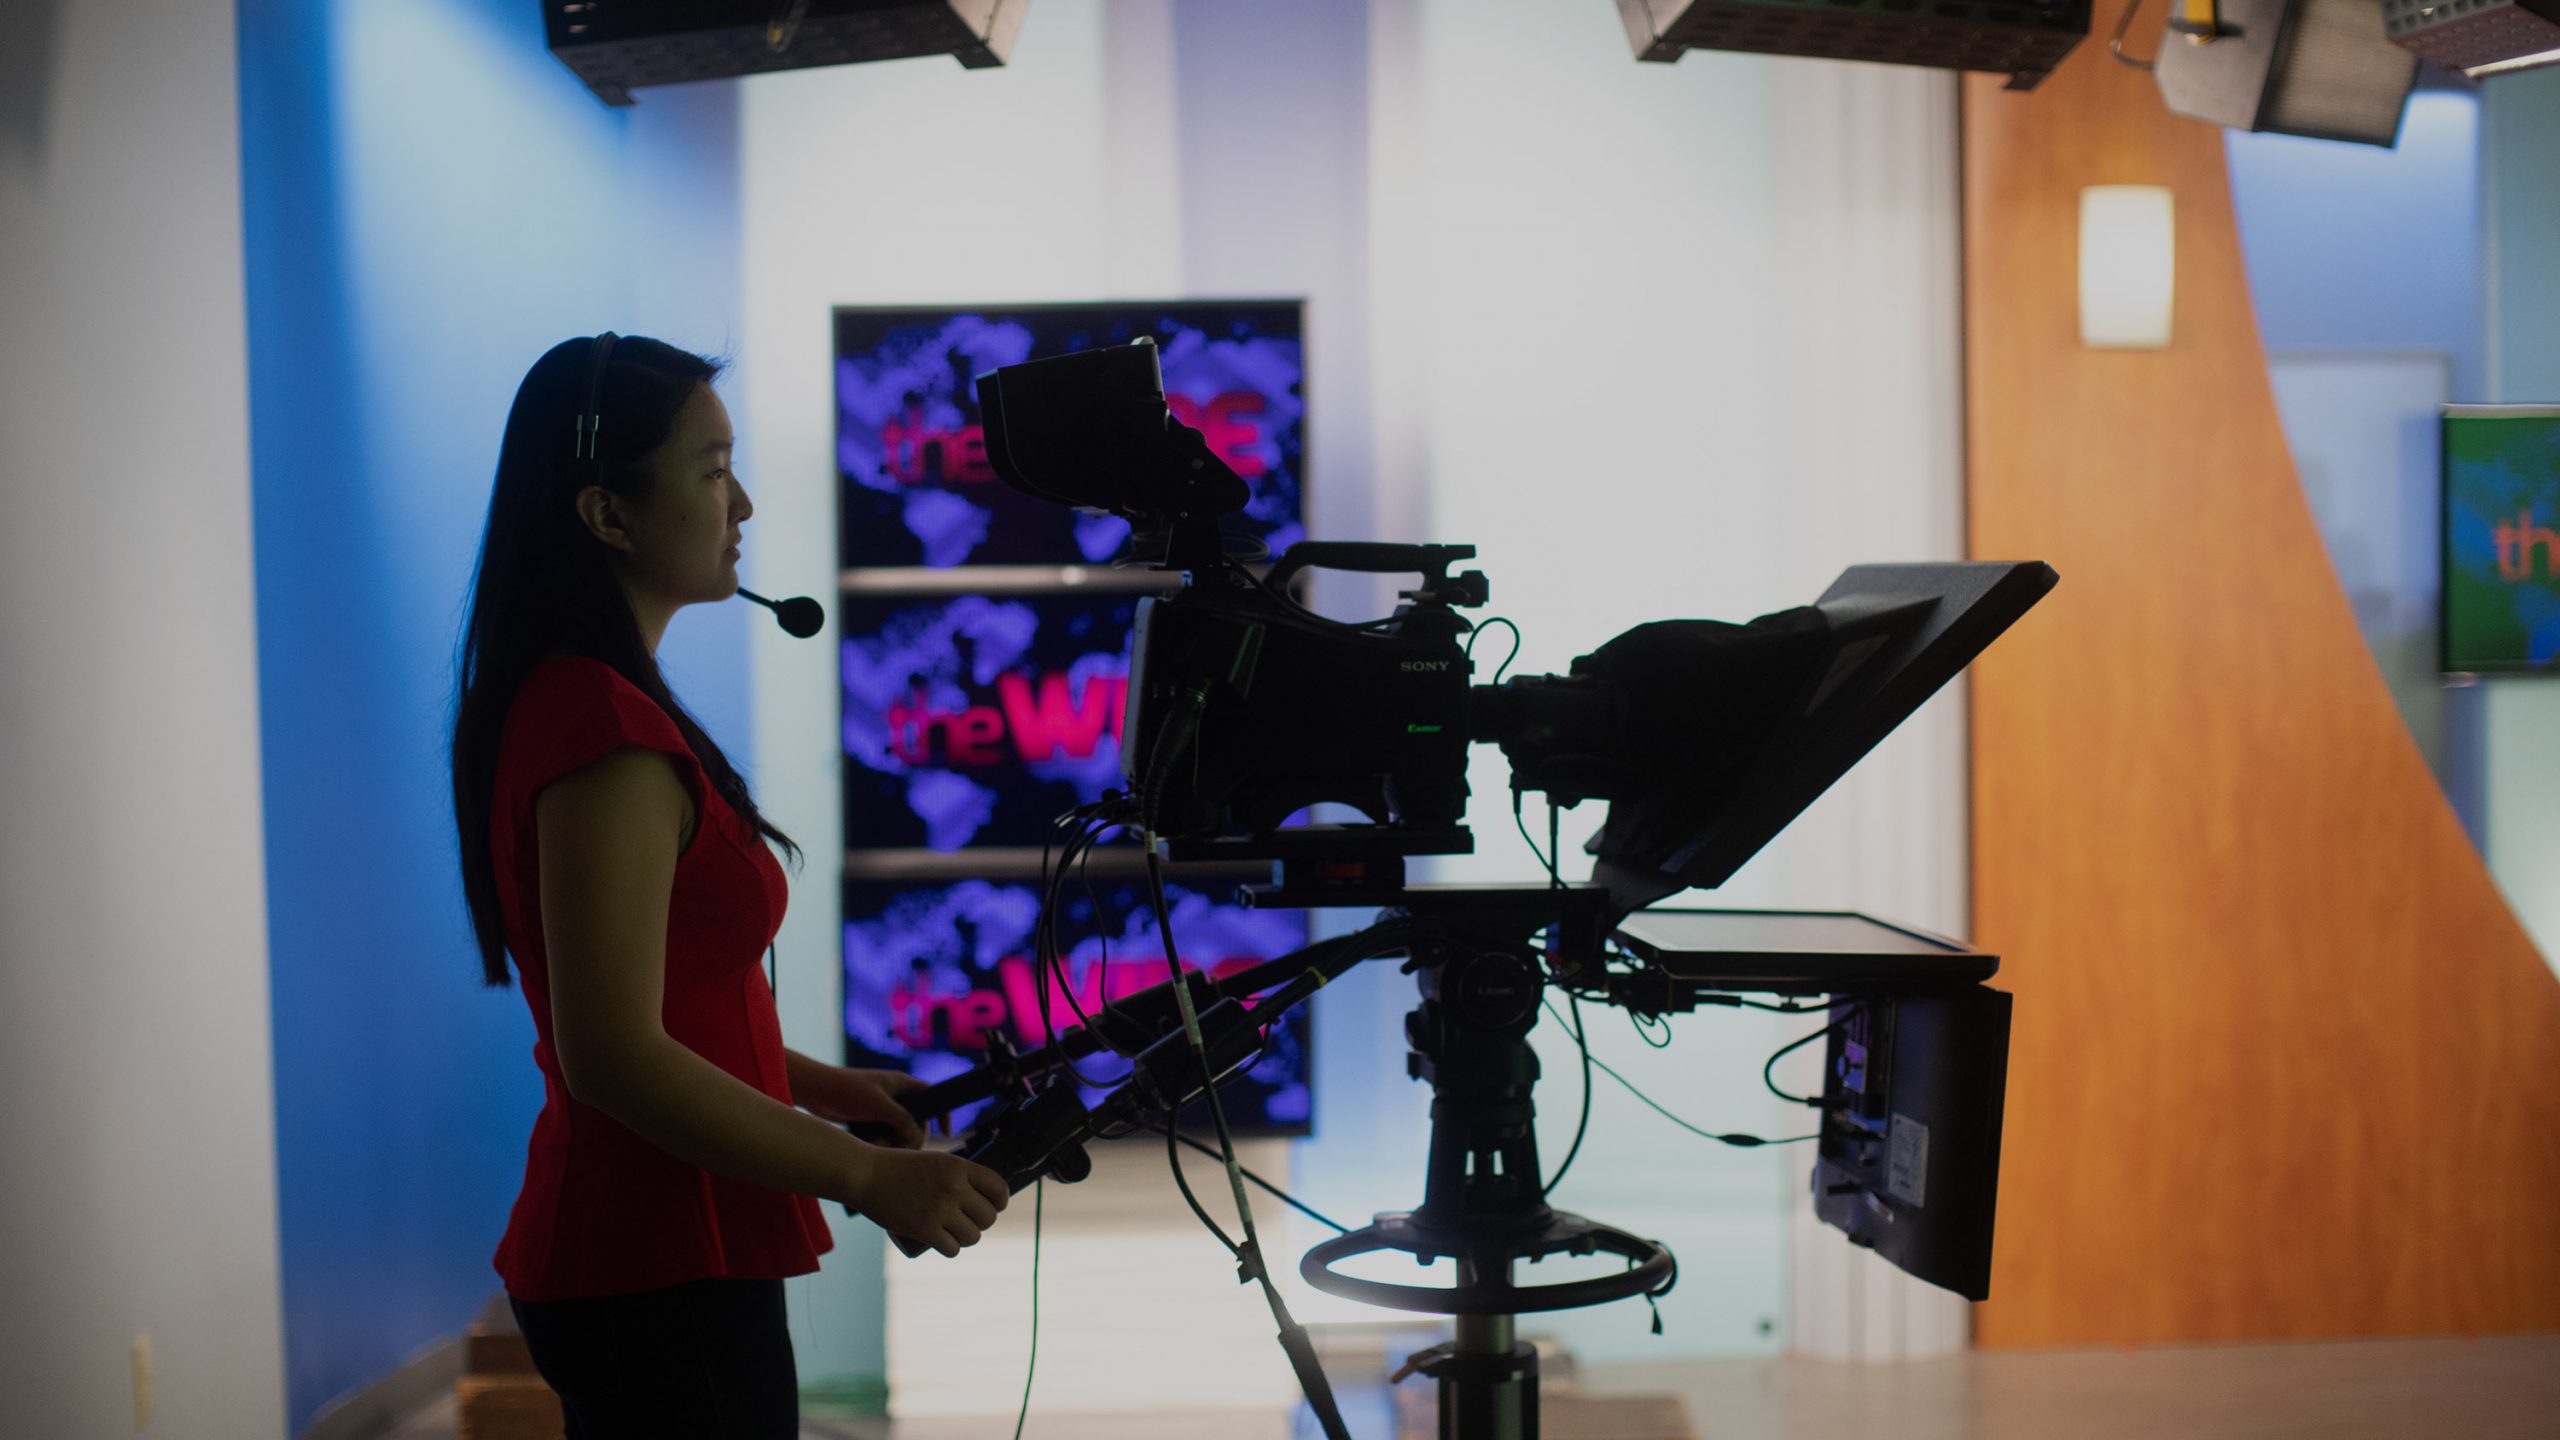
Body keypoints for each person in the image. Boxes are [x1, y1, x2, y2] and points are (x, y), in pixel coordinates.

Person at [449, 334, 1009, 1437]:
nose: (740, 502)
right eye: (711, 470)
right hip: (654, 1256)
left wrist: (825, 1086)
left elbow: (662, 1008)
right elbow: (612, 1054)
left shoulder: (595, 702)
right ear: (608, 513)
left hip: (662, 1248)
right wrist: (864, 1177)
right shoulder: (603, 732)